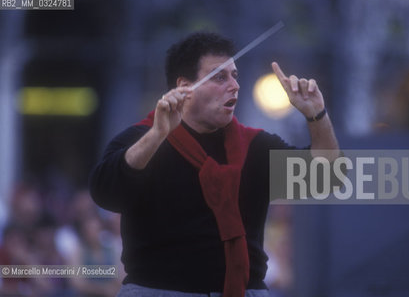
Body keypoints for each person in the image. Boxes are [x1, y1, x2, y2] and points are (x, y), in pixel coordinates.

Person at [89, 32, 339, 297]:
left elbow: (325, 179)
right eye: (220, 77)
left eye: (235, 76)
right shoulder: (141, 139)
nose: (235, 85)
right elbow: (106, 194)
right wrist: (157, 135)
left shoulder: (255, 146)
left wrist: (316, 115)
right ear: (184, 87)